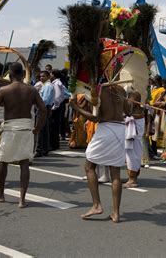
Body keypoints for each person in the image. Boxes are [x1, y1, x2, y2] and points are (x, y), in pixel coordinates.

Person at [0, 62, 46, 208]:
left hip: (9, 127)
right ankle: (22, 200)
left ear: (10, 74)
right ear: (22, 74)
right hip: (26, 127)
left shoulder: (3, 90)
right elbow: (43, 110)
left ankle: (1, 195)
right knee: (24, 162)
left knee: (3, 160)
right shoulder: (31, 90)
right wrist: (38, 127)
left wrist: (0, 124)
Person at [70, 84, 129, 223]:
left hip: (106, 129)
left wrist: (76, 107)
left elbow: (95, 118)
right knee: (115, 173)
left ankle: (96, 205)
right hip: (120, 130)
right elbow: (128, 111)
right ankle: (116, 213)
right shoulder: (121, 89)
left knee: (89, 166)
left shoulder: (98, 89)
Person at [124, 91, 145, 188]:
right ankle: (133, 178)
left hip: (134, 140)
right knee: (132, 158)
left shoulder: (139, 111)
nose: (129, 101)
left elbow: (129, 116)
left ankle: (132, 180)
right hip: (133, 139)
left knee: (132, 158)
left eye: (131, 99)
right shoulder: (134, 110)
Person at [34, 70, 54, 157]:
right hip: (44, 107)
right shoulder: (44, 85)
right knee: (44, 129)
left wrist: (38, 106)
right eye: (41, 76)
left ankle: (39, 150)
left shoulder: (48, 86)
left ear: (48, 77)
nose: (41, 78)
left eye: (44, 76)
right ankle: (44, 149)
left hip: (43, 107)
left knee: (40, 129)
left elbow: (45, 100)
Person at [49, 70, 65, 151]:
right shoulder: (58, 83)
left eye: (51, 74)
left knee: (53, 126)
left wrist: (54, 107)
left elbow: (58, 97)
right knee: (55, 126)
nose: (50, 75)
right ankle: (55, 144)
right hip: (57, 106)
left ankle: (53, 144)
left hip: (55, 107)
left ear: (54, 75)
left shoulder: (56, 83)